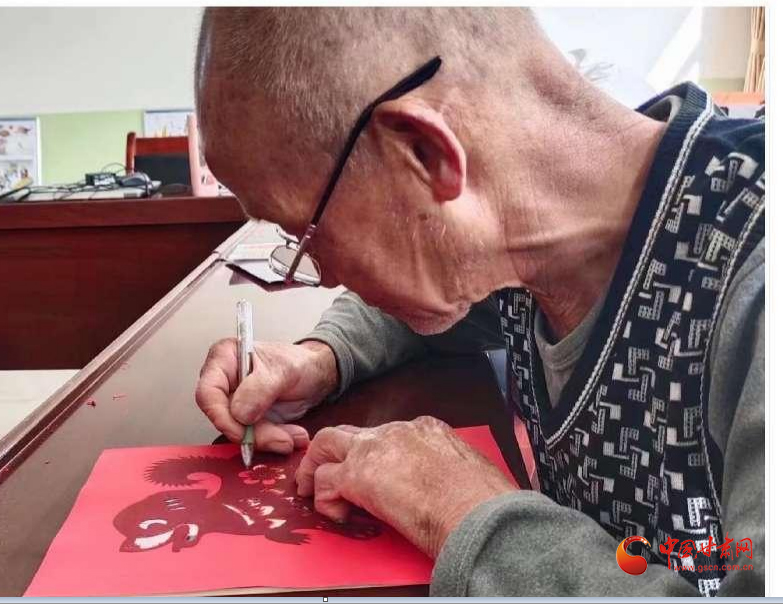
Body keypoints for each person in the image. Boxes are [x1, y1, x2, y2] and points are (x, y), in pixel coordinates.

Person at [192, 7, 764, 596]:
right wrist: (320, 357)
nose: (325, 275)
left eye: (308, 236)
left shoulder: (756, 271)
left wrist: (462, 511)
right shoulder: (526, 246)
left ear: (426, 156)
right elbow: (417, 310)